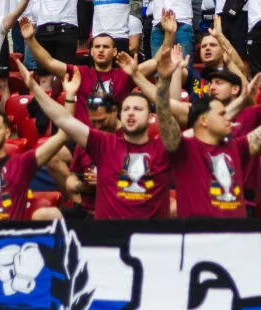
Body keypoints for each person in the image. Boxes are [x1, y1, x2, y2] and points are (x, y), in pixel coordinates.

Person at [154, 36, 261, 219]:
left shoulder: (235, 147)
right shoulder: (183, 148)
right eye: (222, 114)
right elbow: (163, 113)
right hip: (199, 238)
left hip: (236, 238)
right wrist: (163, 82)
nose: (229, 118)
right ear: (203, 121)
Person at [16, 57, 169, 218]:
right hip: (101, 222)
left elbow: (173, 113)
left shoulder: (160, 148)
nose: (131, 113)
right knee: (42, 216)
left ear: (150, 115)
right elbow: (64, 120)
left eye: (138, 109)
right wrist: (34, 87)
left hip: (143, 225)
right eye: (127, 109)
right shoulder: (104, 143)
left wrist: (143, 77)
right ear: (120, 113)